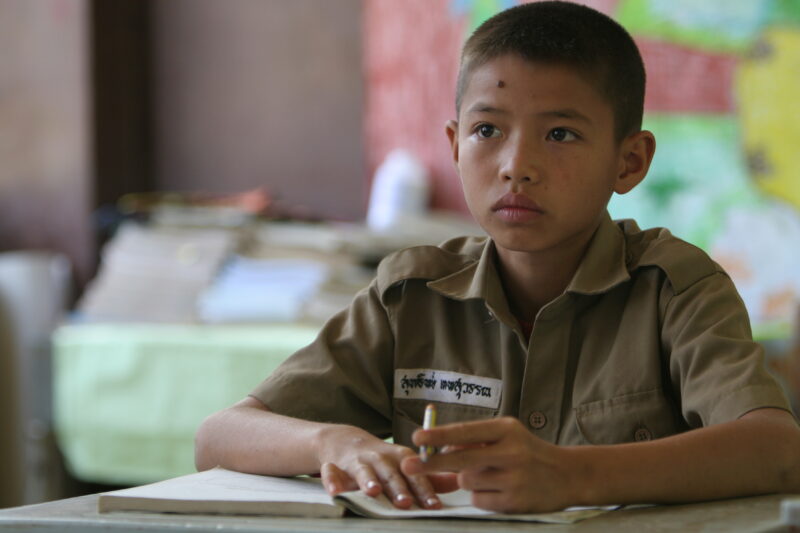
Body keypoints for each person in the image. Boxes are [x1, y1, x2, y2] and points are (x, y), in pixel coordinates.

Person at [195, 1, 800, 513]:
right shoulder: (411, 296)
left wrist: (574, 476)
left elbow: (777, 449)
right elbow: (219, 437)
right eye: (488, 131)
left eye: (560, 134)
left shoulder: (676, 288)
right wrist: (333, 442)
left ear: (630, 162)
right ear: (455, 146)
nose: (517, 165)